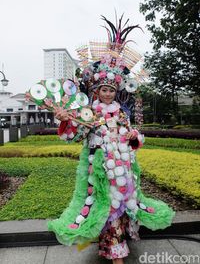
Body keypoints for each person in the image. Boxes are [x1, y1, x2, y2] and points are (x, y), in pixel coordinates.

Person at [48, 14, 175, 263]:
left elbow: (133, 138)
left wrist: (132, 136)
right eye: (103, 90)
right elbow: (74, 132)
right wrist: (65, 117)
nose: (107, 94)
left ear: (116, 91)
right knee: (101, 205)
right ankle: (113, 249)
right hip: (99, 168)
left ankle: (113, 245)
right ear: (96, 91)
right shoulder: (90, 112)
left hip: (123, 167)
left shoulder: (121, 112)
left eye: (111, 90)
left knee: (122, 203)